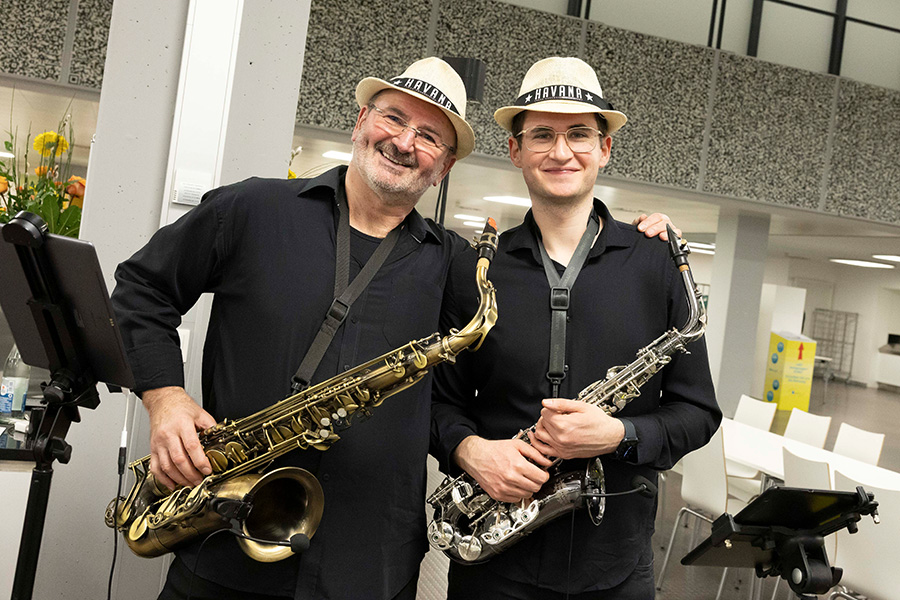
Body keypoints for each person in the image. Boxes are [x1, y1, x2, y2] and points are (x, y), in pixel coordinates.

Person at [112, 55, 676, 599]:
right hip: (225, 544)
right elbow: (142, 289)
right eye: (394, 117)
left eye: (431, 137)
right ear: (361, 121)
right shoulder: (254, 209)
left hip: (370, 566)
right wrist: (165, 399)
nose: (406, 143)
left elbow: (524, 325)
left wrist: (636, 243)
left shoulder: (461, 266)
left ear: (445, 165)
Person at [431, 57, 721, 599]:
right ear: (515, 150)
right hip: (493, 559)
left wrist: (622, 435)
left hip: (615, 564)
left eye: (579, 134)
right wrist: (471, 451)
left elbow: (699, 413)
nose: (560, 152)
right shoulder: (476, 270)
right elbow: (438, 402)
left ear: (604, 149)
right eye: (541, 134)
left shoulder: (656, 263)